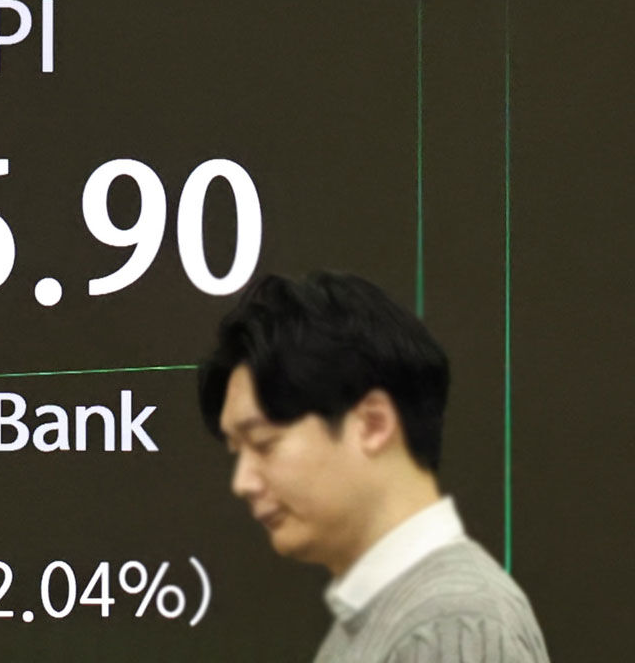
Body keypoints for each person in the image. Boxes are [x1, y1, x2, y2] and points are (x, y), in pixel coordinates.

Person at [197, 271, 549, 662]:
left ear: (373, 424)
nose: (243, 482)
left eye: (264, 444)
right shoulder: (386, 617)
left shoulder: (451, 624)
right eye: (238, 451)